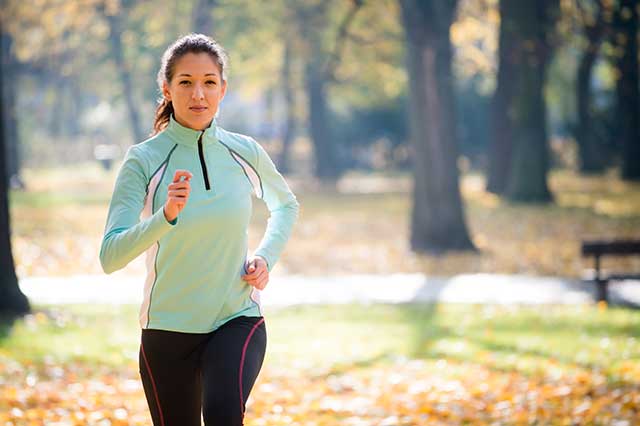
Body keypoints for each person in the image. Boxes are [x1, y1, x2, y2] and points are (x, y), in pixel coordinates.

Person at [99, 33, 299, 425]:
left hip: (236, 316)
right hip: (166, 330)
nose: (198, 94)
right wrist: (165, 217)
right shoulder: (144, 160)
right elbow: (111, 256)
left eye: (209, 82)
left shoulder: (245, 151)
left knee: (225, 415)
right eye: (186, 82)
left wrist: (265, 257)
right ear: (167, 88)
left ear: (223, 89)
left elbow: (285, 204)